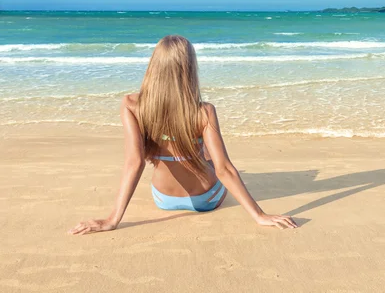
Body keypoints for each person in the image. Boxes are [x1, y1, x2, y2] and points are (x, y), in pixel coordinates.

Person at [69, 35, 297, 235]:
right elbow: (223, 169)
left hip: (163, 200)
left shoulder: (131, 105)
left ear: (153, 66)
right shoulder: (204, 111)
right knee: (206, 150)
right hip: (206, 200)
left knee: (182, 146)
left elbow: (135, 162)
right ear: (189, 67)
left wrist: (113, 219)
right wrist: (259, 215)